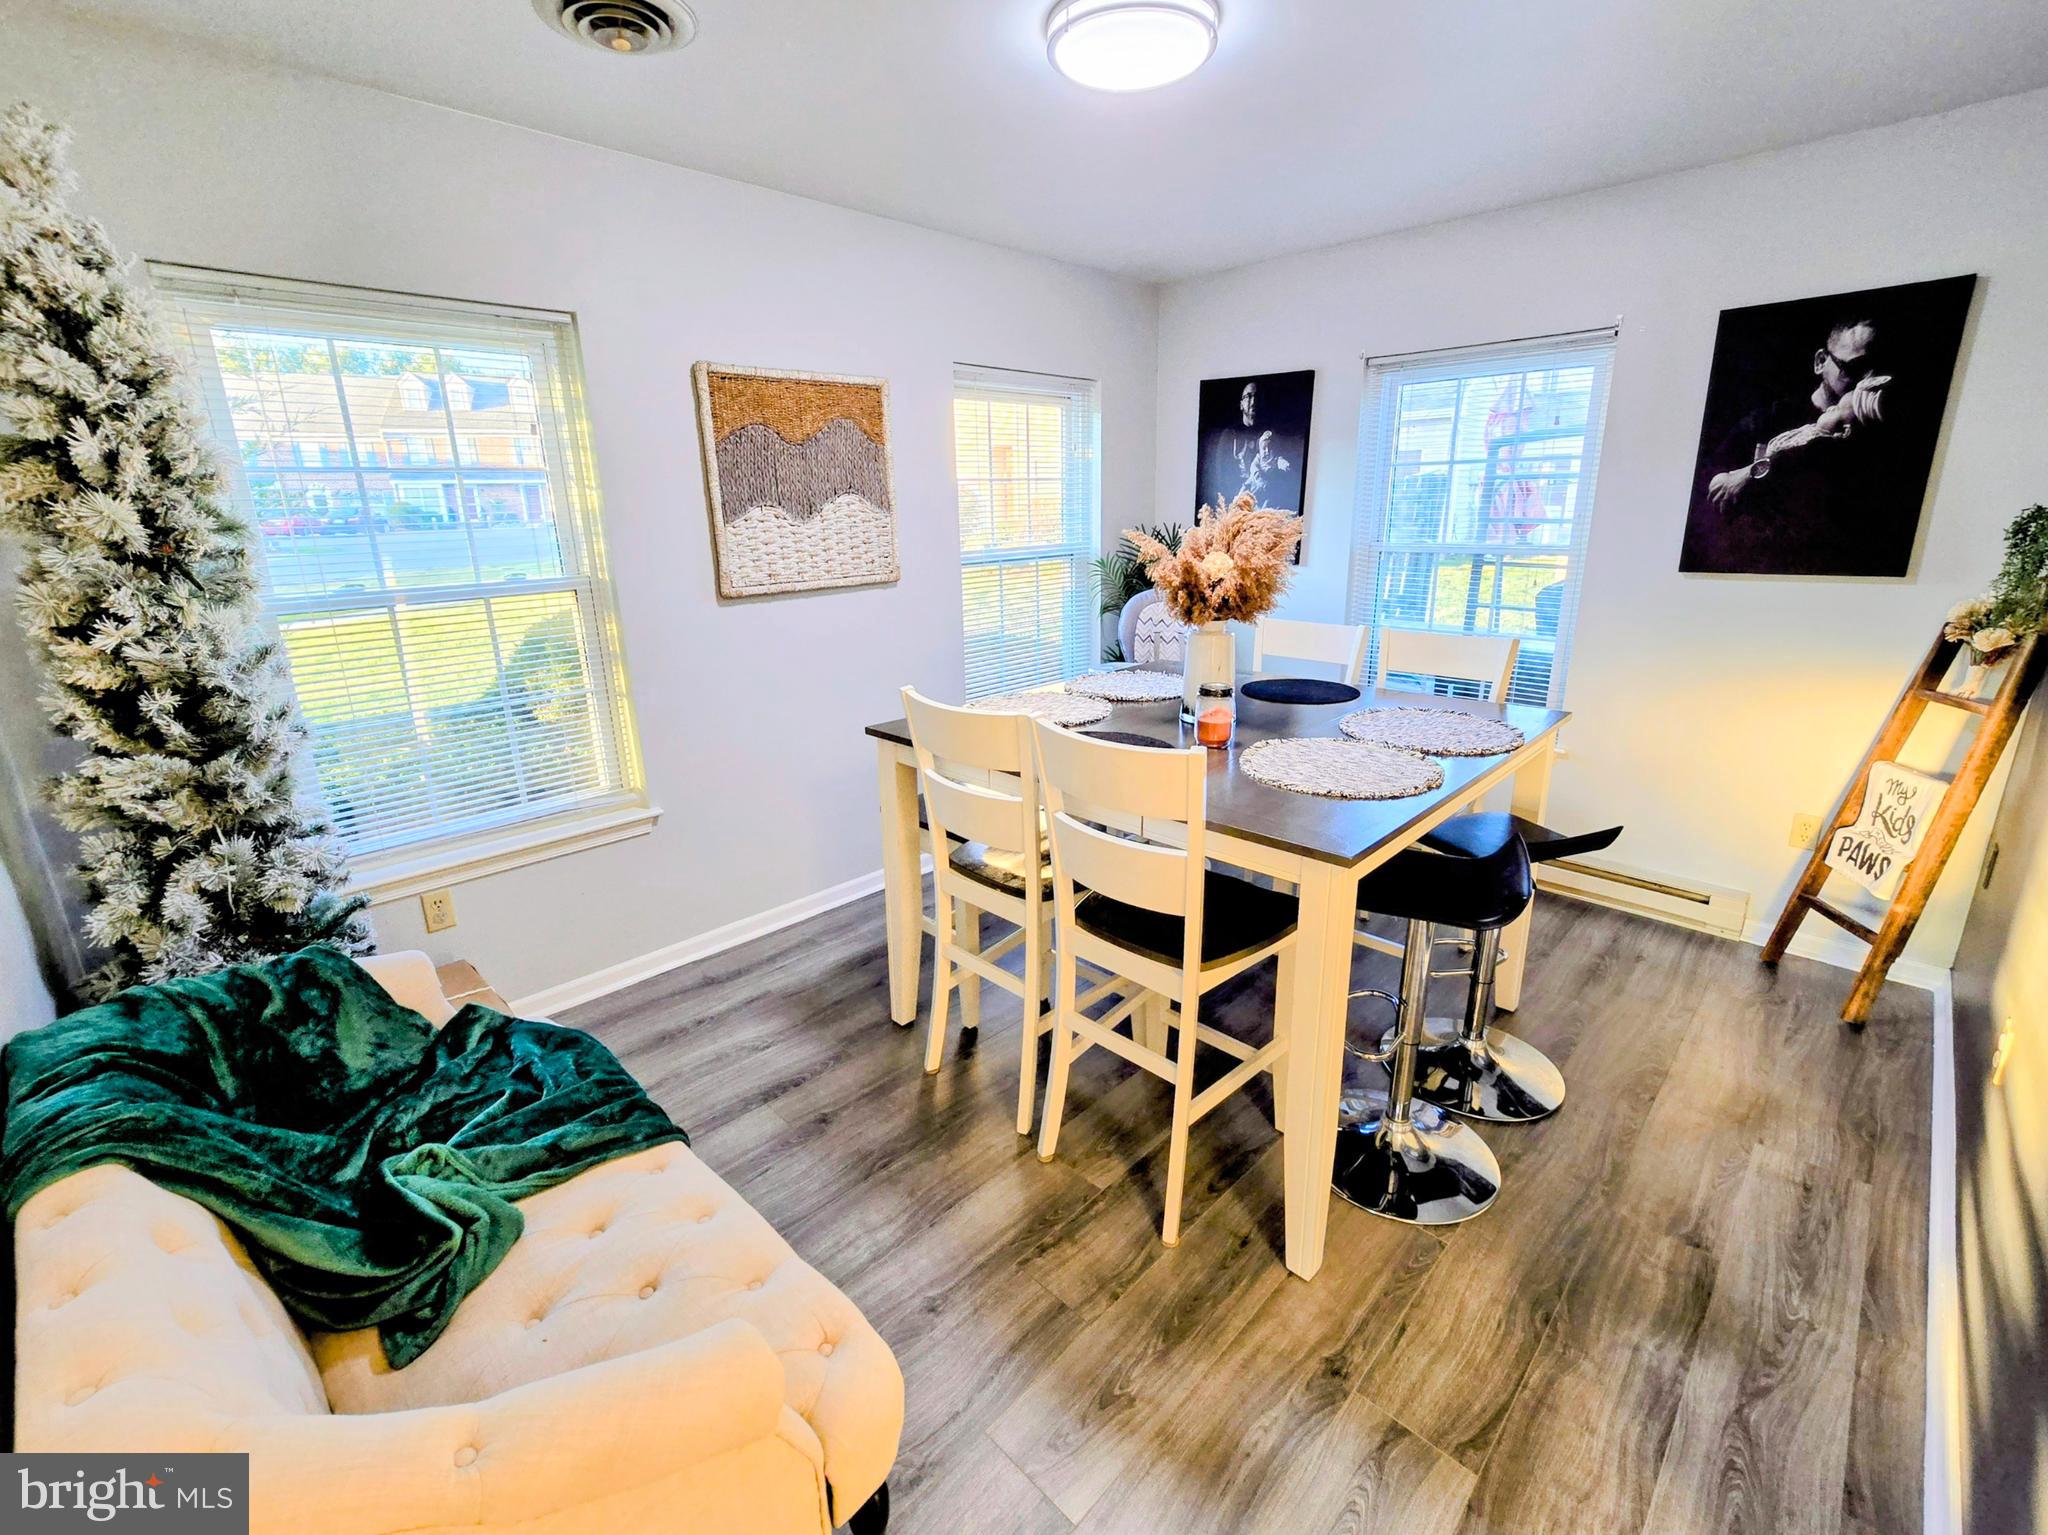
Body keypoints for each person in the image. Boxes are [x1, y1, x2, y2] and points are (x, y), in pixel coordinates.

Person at [1688, 317, 1911, 574]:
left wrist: (1753, 473)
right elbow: (1712, 485)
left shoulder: (1879, 434)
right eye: (1855, 368)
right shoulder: (1768, 419)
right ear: (1820, 362)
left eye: (1875, 372)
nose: (1864, 381)